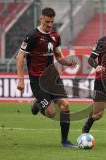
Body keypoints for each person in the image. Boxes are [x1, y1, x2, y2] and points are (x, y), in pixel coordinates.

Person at [16, 7, 77, 148]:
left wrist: (68, 62)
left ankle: (65, 141)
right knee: (50, 113)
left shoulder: (55, 36)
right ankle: (38, 104)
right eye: (47, 22)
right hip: (37, 80)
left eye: (52, 22)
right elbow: (20, 57)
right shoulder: (32, 36)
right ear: (41, 19)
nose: (49, 25)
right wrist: (20, 79)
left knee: (66, 105)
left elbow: (59, 57)